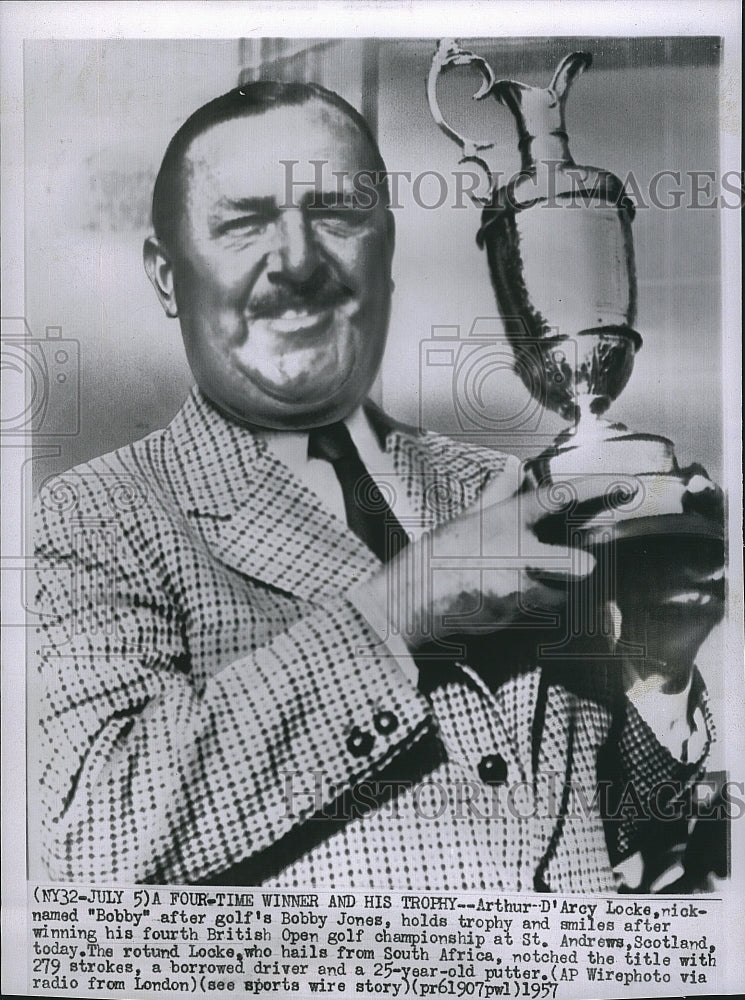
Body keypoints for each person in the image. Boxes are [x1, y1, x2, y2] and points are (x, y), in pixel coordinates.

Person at [34, 81, 725, 892]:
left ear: (384, 252)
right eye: (244, 221)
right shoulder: (94, 517)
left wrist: (657, 668)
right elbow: (96, 836)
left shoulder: (500, 484)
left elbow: (625, 828)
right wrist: (404, 609)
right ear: (164, 275)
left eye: (336, 214)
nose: (296, 262)